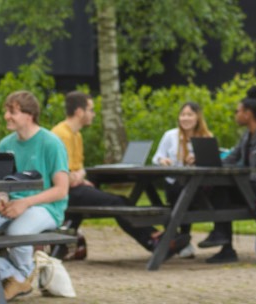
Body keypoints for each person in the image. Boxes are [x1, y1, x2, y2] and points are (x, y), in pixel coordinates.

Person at [51, 91, 190, 258]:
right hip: (63, 192)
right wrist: (78, 176)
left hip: (74, 189)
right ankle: (153, 240)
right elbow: (66, 176)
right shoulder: (61, 134)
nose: (93, 114)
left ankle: (153, 238)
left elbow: (78, 171)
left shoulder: (76, 135)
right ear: (79, 112)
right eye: (91, 110)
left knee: (122, 201)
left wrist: (79, 176)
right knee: (117, 202)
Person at [0, 91, 70, 300]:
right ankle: (20, 275)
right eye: (6, 111)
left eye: (12, 111)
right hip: (13, 204)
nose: (6, 116)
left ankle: (20, 277)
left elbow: (61, 189)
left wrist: (25, 202)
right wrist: (2, 199)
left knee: (17, 232)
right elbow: (0, 183)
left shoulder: (51, 143)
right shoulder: (5, 145)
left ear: (29, 115)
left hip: (47, 207)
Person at [198, 87, 256, 264]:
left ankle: (222, 237)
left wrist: (241, 180)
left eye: (237, 111)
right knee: (219, 188)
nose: (235, 115)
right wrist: (211, 162)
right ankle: (225, 245)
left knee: (224, 189)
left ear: (248, 113)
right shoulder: (246, 136)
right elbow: (231, 158)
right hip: (251, 185)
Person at [150, 101, 215, 258]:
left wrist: (198, 158)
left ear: (197, 117)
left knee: (187, 193)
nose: (185, 118)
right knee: (176, 191)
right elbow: (157, 157)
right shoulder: (170, 135)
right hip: (173, 182)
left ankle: (180, 240)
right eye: (183, 114)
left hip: (198, 185)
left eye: (189, 114)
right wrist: (162, 161)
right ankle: (180, 240)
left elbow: (212, 162)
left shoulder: (206, 137)